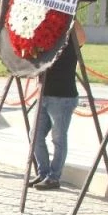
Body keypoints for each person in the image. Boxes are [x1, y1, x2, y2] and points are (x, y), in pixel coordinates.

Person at [30, 20, 85, 191]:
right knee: (35, 135)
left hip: (63, 96)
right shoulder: (45, 39)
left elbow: (82, 37)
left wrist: (70, 15)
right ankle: (43, 172)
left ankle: (54, 177)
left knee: (58, 138)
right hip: (44, 94)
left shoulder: (70, 39)